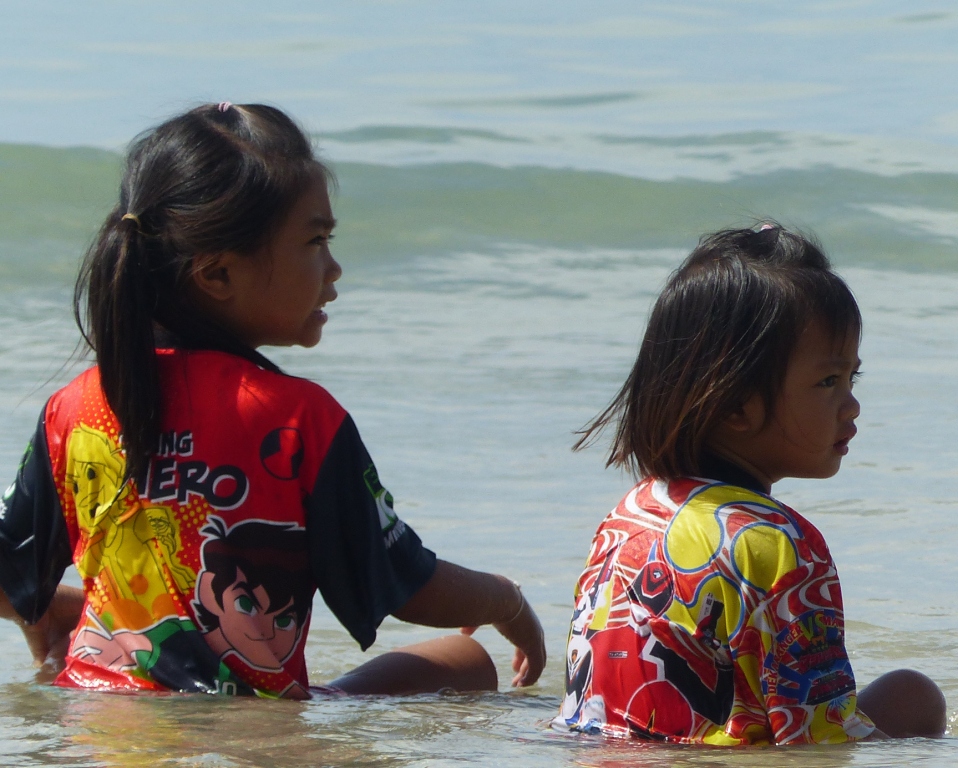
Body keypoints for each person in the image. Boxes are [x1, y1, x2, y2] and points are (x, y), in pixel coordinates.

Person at [0, 102, 545, 699]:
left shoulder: (74, 410)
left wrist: (49, 606)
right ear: (217, 275)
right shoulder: (295, 420)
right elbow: (408, 586)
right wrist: (506, 601)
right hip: (241, 725)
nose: (334, 268)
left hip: (95, 719)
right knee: (466, 658)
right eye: (315, 240)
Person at [553, 226, 945, 744]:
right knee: (914, 695)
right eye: (829, 382)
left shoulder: (627, 516)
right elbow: (817, 744)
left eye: (852, 379)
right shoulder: (779, 547)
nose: (851, 406)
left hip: (599, 753)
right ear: (737, 406)